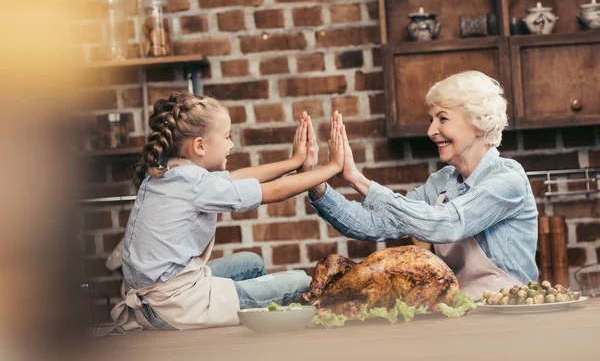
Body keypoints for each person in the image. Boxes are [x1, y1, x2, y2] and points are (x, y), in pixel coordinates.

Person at [111, 91, 345, 331]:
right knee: (301, 283)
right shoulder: (196, 184)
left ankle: (249, 306)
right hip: (176, 308)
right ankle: (246, 313)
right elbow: (274, 192)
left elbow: (235, 179)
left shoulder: (171, 173)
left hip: (158, 298)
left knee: (251, 264)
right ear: (200, 145)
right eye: (227, 136)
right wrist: (333, 167)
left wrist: (294, 162)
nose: (231, 144)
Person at [302, 71, 539, 298]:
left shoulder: (507, 178)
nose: (431, 131)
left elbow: (448, 223)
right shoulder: (442, 182)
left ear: (479, 124)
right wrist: (315, 183)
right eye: (431, 119)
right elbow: (371, 225)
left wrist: (357, 179)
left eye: (443, 118)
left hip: (511, 311)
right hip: (460, 309)